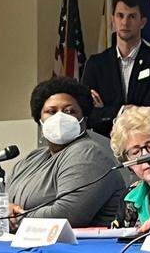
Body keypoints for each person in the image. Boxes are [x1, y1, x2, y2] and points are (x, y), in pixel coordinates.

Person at [7, 77, 125, 228]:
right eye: (51, 111)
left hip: (79, 249)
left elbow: (66, 215)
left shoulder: (88, 153)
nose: (60, 117)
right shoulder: (32, 159)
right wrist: (3, 212)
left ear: (84, 118)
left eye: (70, 111)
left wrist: (13, 218)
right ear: (40, 120)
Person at [81, 0, 150, 137]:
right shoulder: (96, 64)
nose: (125, 22)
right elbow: (88, 114)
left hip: (145, 146)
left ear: (142, 22)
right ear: (112, 20)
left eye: (132, 16)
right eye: (120, 16)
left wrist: (106, 111)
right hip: (105, 145)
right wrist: (124, 110)